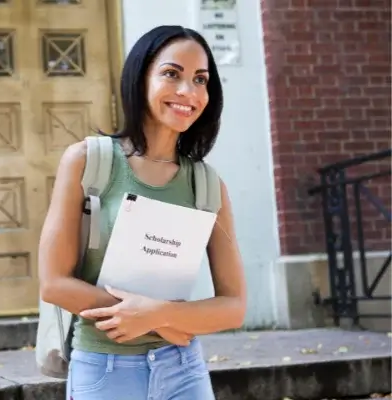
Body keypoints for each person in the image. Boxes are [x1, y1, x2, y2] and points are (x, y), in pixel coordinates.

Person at [38, 25, 247, 400]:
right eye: (172, 74)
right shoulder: (89, 160)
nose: (188, 91)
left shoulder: (207, 184)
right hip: (104, 372)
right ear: (140, 79)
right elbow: (54, 283)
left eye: (200, 79)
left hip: (184, 371)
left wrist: (157, 315)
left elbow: (233, 307)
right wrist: (163, 320)